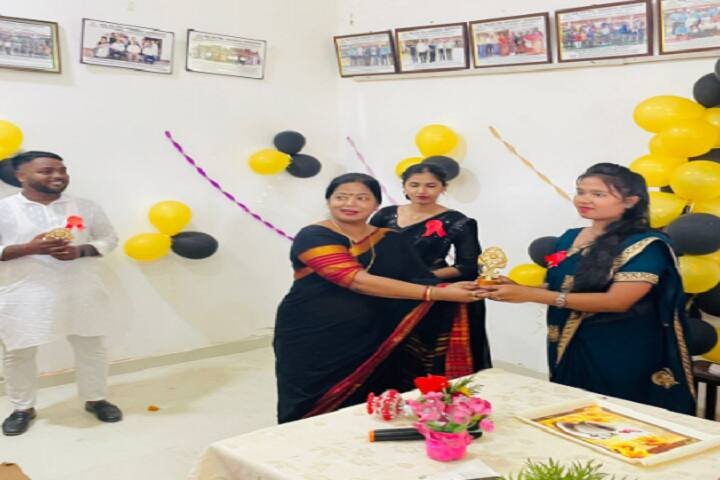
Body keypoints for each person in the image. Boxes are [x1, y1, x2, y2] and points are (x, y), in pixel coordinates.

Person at [480, 163, 695, 414]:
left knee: (615, 414)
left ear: (630, 201)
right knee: (571, 407)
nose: (584, 199)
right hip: (569, 339)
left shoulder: (645, 245)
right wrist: (517, 289)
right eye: (581, 191)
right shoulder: (571, 237)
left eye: (598, 194)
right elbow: (563, 285)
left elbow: (617, 301)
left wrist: (531, 295)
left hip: (619, 345)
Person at [274, 173, 484, 423]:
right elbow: (356, 280)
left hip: (379, 333)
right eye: (341, 197)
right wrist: (437, 292)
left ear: (376, 205)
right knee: (309, 403)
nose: (350, 203)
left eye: (362, 198)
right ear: (329, 201)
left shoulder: (391, 238)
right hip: (314, 334)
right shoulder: (314, 235)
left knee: (374, 401)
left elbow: (417, 279)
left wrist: (455, 289)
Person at [0, 151, 122, 436]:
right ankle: (22, 408)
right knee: (19, 352)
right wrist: (28, 248)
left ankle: (96, 399)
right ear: (21, 176)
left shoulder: (85, 206)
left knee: (91, 346)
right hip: (24, 293)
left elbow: (108, 238)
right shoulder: (4, 209)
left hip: (80, 288)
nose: (58, 176)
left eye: (62, 170)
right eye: (47, 171)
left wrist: (80, 250)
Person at [370, 163, 491, 371]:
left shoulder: (458, 221)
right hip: (386, 289)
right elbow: (367, 248)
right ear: (404, 187)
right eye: (414, 185)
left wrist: (422, 276)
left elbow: (468, 266)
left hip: (434, 293)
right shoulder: (385, 215)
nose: (422, 191)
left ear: (443, 187)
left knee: (423, 358)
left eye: (431, 185)